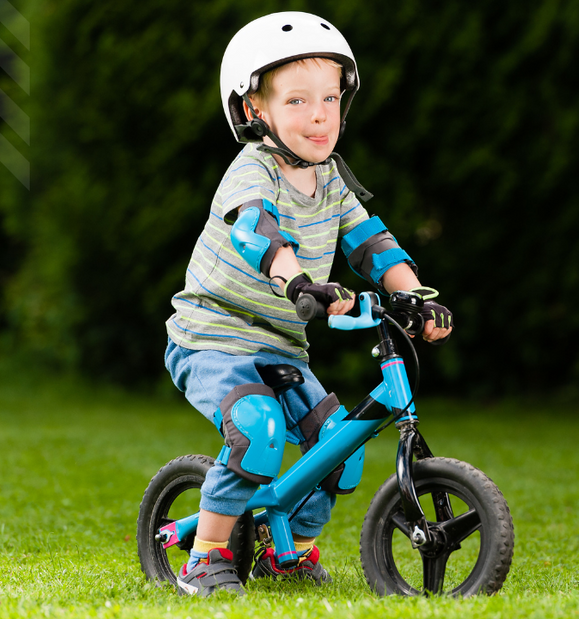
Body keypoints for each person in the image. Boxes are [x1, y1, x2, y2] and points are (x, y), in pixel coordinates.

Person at [163, 11, 453, 597]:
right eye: (296, 101)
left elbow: (371, 242)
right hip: (211, 337)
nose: (319, 115)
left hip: (280, 346)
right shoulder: (252, 172)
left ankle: (284, 548)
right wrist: (299, 281)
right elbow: (256, 232)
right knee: (257, 427)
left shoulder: (333, 180)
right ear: (255, 110)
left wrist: (413, 295)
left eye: (330, 98)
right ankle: (206, 556)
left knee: (338, 450)